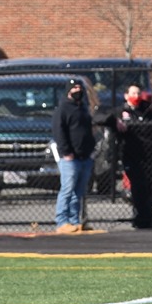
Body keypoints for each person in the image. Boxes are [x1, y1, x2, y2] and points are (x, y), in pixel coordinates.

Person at [114, 85, 152, 229]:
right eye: (133, 93)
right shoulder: (121, 112)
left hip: (149, 157)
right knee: (138, 187)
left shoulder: (148, 112)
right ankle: (145, 219)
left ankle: (143, 219)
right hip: (132, 156)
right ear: (126, 95)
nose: (136, 96)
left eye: (138, 93)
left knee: (148, 189)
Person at [52, 78, 96, 234]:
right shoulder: (63, 109)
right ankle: (62, 221)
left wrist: (90, 149)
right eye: (74, 87)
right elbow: (59, 132)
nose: (78, 90)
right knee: (67, 189)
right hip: (70, 158)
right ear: (68, 90)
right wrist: (66, 152)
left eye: (79, 87)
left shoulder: (83, 108)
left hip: (85, 156)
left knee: (79, 191)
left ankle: (74, 221)